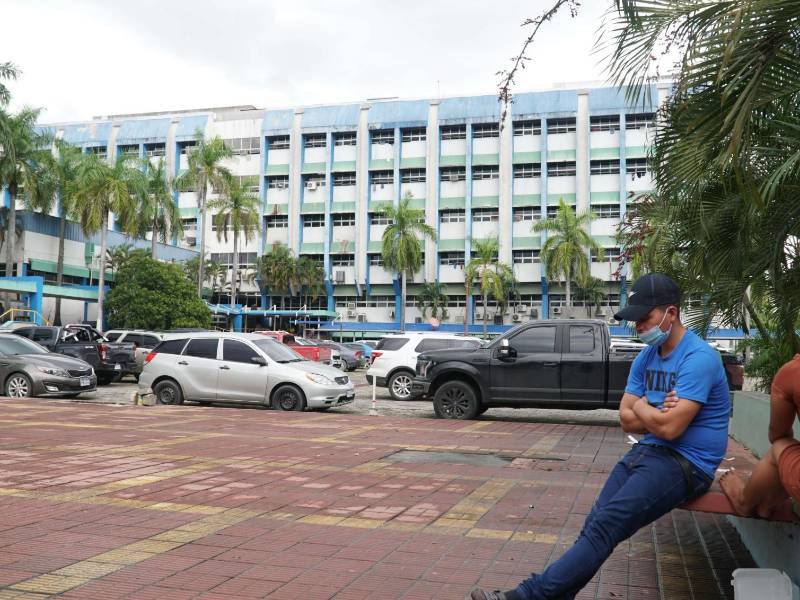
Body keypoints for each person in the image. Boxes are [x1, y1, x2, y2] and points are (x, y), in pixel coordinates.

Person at [469, 273, 731, 600]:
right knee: (596, 526)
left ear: (672, 313)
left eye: (644, 318)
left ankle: (524, 597)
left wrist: (642, 406)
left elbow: (670, 428)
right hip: (649, 451)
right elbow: (625, 419)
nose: (638, 326)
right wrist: (654, 408)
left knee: (605, 526)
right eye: (634, 320)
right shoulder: (646, 357)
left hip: (688, 463)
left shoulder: (699, 358)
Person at [719, 355, 800, 517]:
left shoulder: (793, 371)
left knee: (782, 446)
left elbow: (778, 434)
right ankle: (768, 503)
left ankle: (745, 501)